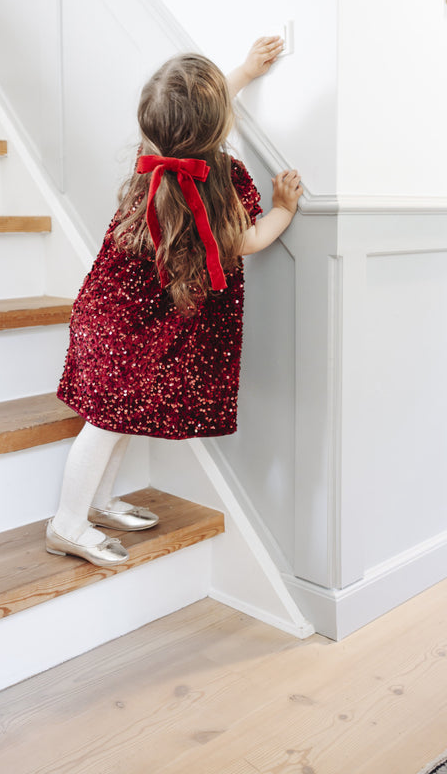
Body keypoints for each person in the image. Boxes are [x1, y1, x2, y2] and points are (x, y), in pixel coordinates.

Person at [48, 36, 303, 566]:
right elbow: (248, 241)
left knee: (116, 418)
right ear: (220, 124)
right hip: (131, 328)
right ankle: (66, 524)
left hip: (113, 315)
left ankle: (97, 502)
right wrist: (282, 209)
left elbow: (190, 114)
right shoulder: (218, 180)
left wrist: (244, 71)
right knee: (105, 424)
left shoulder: (152, 159)